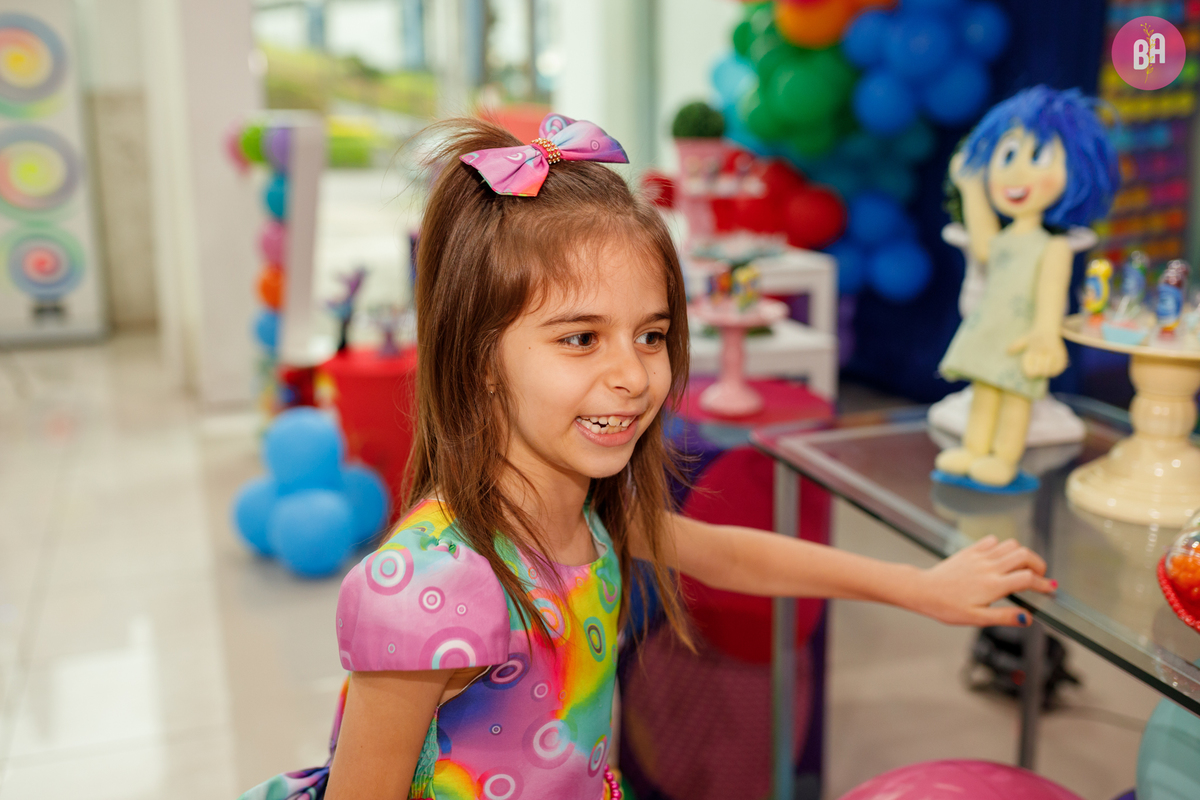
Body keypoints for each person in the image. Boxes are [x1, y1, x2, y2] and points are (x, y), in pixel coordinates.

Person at [240, 114, 1054, 800]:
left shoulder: (590, 513)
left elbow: (732, 555)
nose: (634, 376)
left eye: (652, 335)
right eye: (580, 338)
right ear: (481, 357)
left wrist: (920, 586)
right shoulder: (430, 585)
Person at [937, 86, 1120, 487]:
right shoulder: (1005, 239)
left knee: (1016, 399)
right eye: (1006, 156)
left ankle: (1004, 457)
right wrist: (971, 187)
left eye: (1037, 157)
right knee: (985, 392)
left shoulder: (1053, 247)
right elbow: (984, 246)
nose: (1016, 174)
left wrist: (1045, 336)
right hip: (990, 332)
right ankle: (974, 449)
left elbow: (1051, 300)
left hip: (1021, 339)